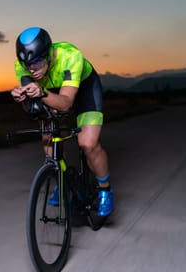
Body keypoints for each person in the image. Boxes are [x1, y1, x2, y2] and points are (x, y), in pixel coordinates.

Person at [11, 27, 113, 217]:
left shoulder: (70, 56)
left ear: (49, 54)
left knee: (88, 144)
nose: (31, 69)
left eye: (36, 62)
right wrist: (24, 99)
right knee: (48, 139)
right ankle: (61, 180)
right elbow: (33, 109)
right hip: (50, 92)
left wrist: (41, 93)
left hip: (84, 90)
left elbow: (66, 104)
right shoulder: (21, 65)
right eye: (27, 64)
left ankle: (105, 190)